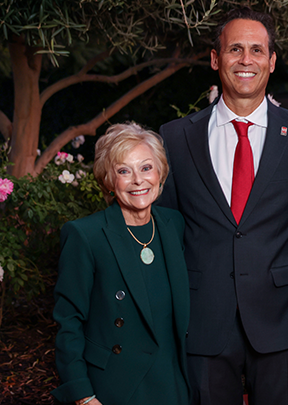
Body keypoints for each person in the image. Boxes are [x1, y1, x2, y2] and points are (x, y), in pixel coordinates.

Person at [156, 7, 288, 405]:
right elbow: (168, 229)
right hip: (204, 319)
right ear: (216, 59)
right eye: (235, 49)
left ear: (271, 61)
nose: (246, 60)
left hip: (282, 318)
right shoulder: (176, 137)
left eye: (256, 50)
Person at [52, 123, 190, 405]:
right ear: (108, 180)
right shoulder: (86, 235)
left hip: (173, 382)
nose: (139, 180)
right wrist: (83, 395)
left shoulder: (173, 224)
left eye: (146, 168)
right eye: (124, 171)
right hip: (116, 387)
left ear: (161, 174)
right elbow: (69, 322)